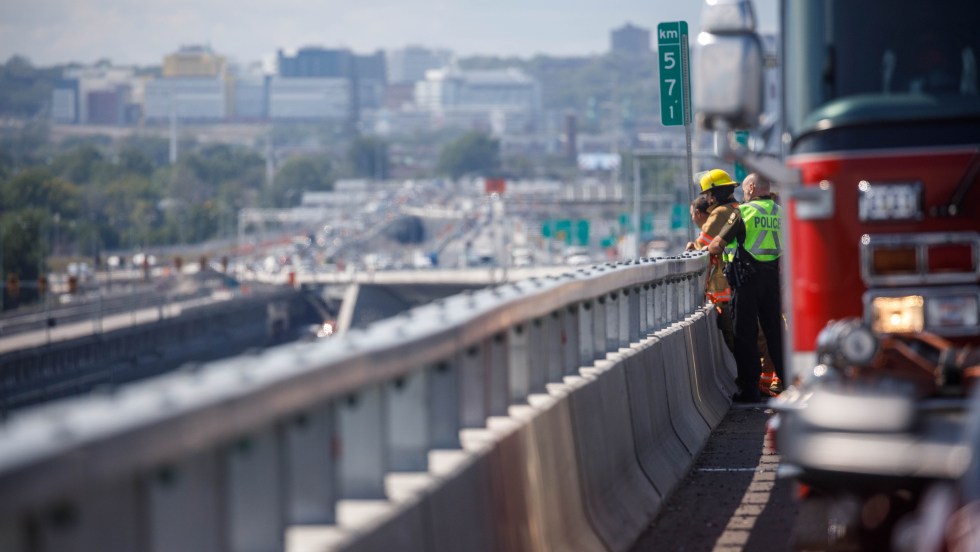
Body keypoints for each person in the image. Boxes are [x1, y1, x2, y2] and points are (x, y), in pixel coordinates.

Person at [708, 172, 785, 403]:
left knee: (745, 334)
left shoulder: (744, 211)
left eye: (743, 190)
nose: (742, 194)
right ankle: (789, 384)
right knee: (776, 333)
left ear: (751, 187)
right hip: (773, 279)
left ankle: (749, 389)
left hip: (746, 280)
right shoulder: (781, 213)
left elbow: (716, 245)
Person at [685, 183, 736, 353]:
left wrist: (693, 248)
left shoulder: (720, 213)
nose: (707, 199)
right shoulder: (738, 208)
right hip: (741, 283)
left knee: (736, 335)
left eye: (709, 195)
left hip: (727, 289)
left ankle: (754, 377)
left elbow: (701, 248)